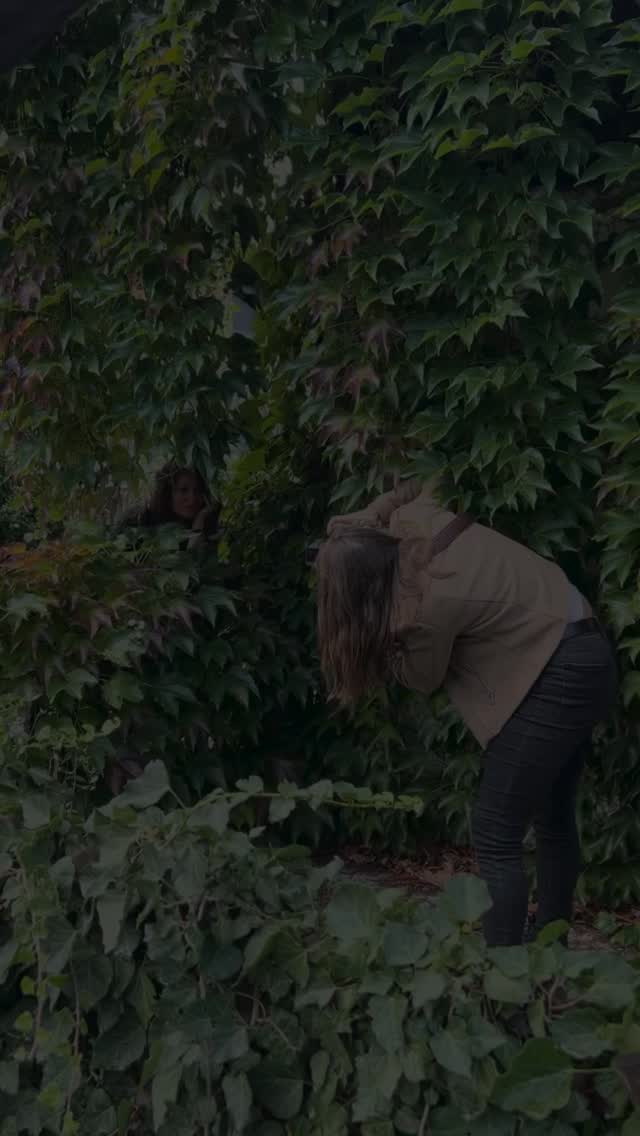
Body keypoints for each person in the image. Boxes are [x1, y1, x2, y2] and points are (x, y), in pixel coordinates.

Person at [315, 476, 617, 947]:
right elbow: (425, 482)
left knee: (496, 832)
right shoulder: (416, 519)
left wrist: (389, 637)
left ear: (365, 592)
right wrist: (374, 512)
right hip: (588, 650)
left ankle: (505, 973)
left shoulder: (423, 611)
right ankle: (549, 946)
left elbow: (423, 679)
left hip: (558, 672)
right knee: (552, 815)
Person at [119, 462, 221, 549]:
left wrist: (200, 520)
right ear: (168, 493)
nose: (192, 498)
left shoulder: (209, 525)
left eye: (197, 490)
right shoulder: (139, 521)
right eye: (183, 490)